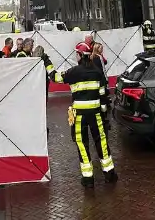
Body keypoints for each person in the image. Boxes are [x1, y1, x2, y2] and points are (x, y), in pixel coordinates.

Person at [48, 43, 117, 188]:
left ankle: (88, 178)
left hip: (79, 116)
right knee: (101, 142)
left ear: (79, 55)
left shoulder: (73, 72)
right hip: (96, 114)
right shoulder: (97, 72)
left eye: (76, 54)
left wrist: (46, 60)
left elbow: (55, 77)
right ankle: (109, 173)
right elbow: (103, 95)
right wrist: (104, 116)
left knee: (82, 144)